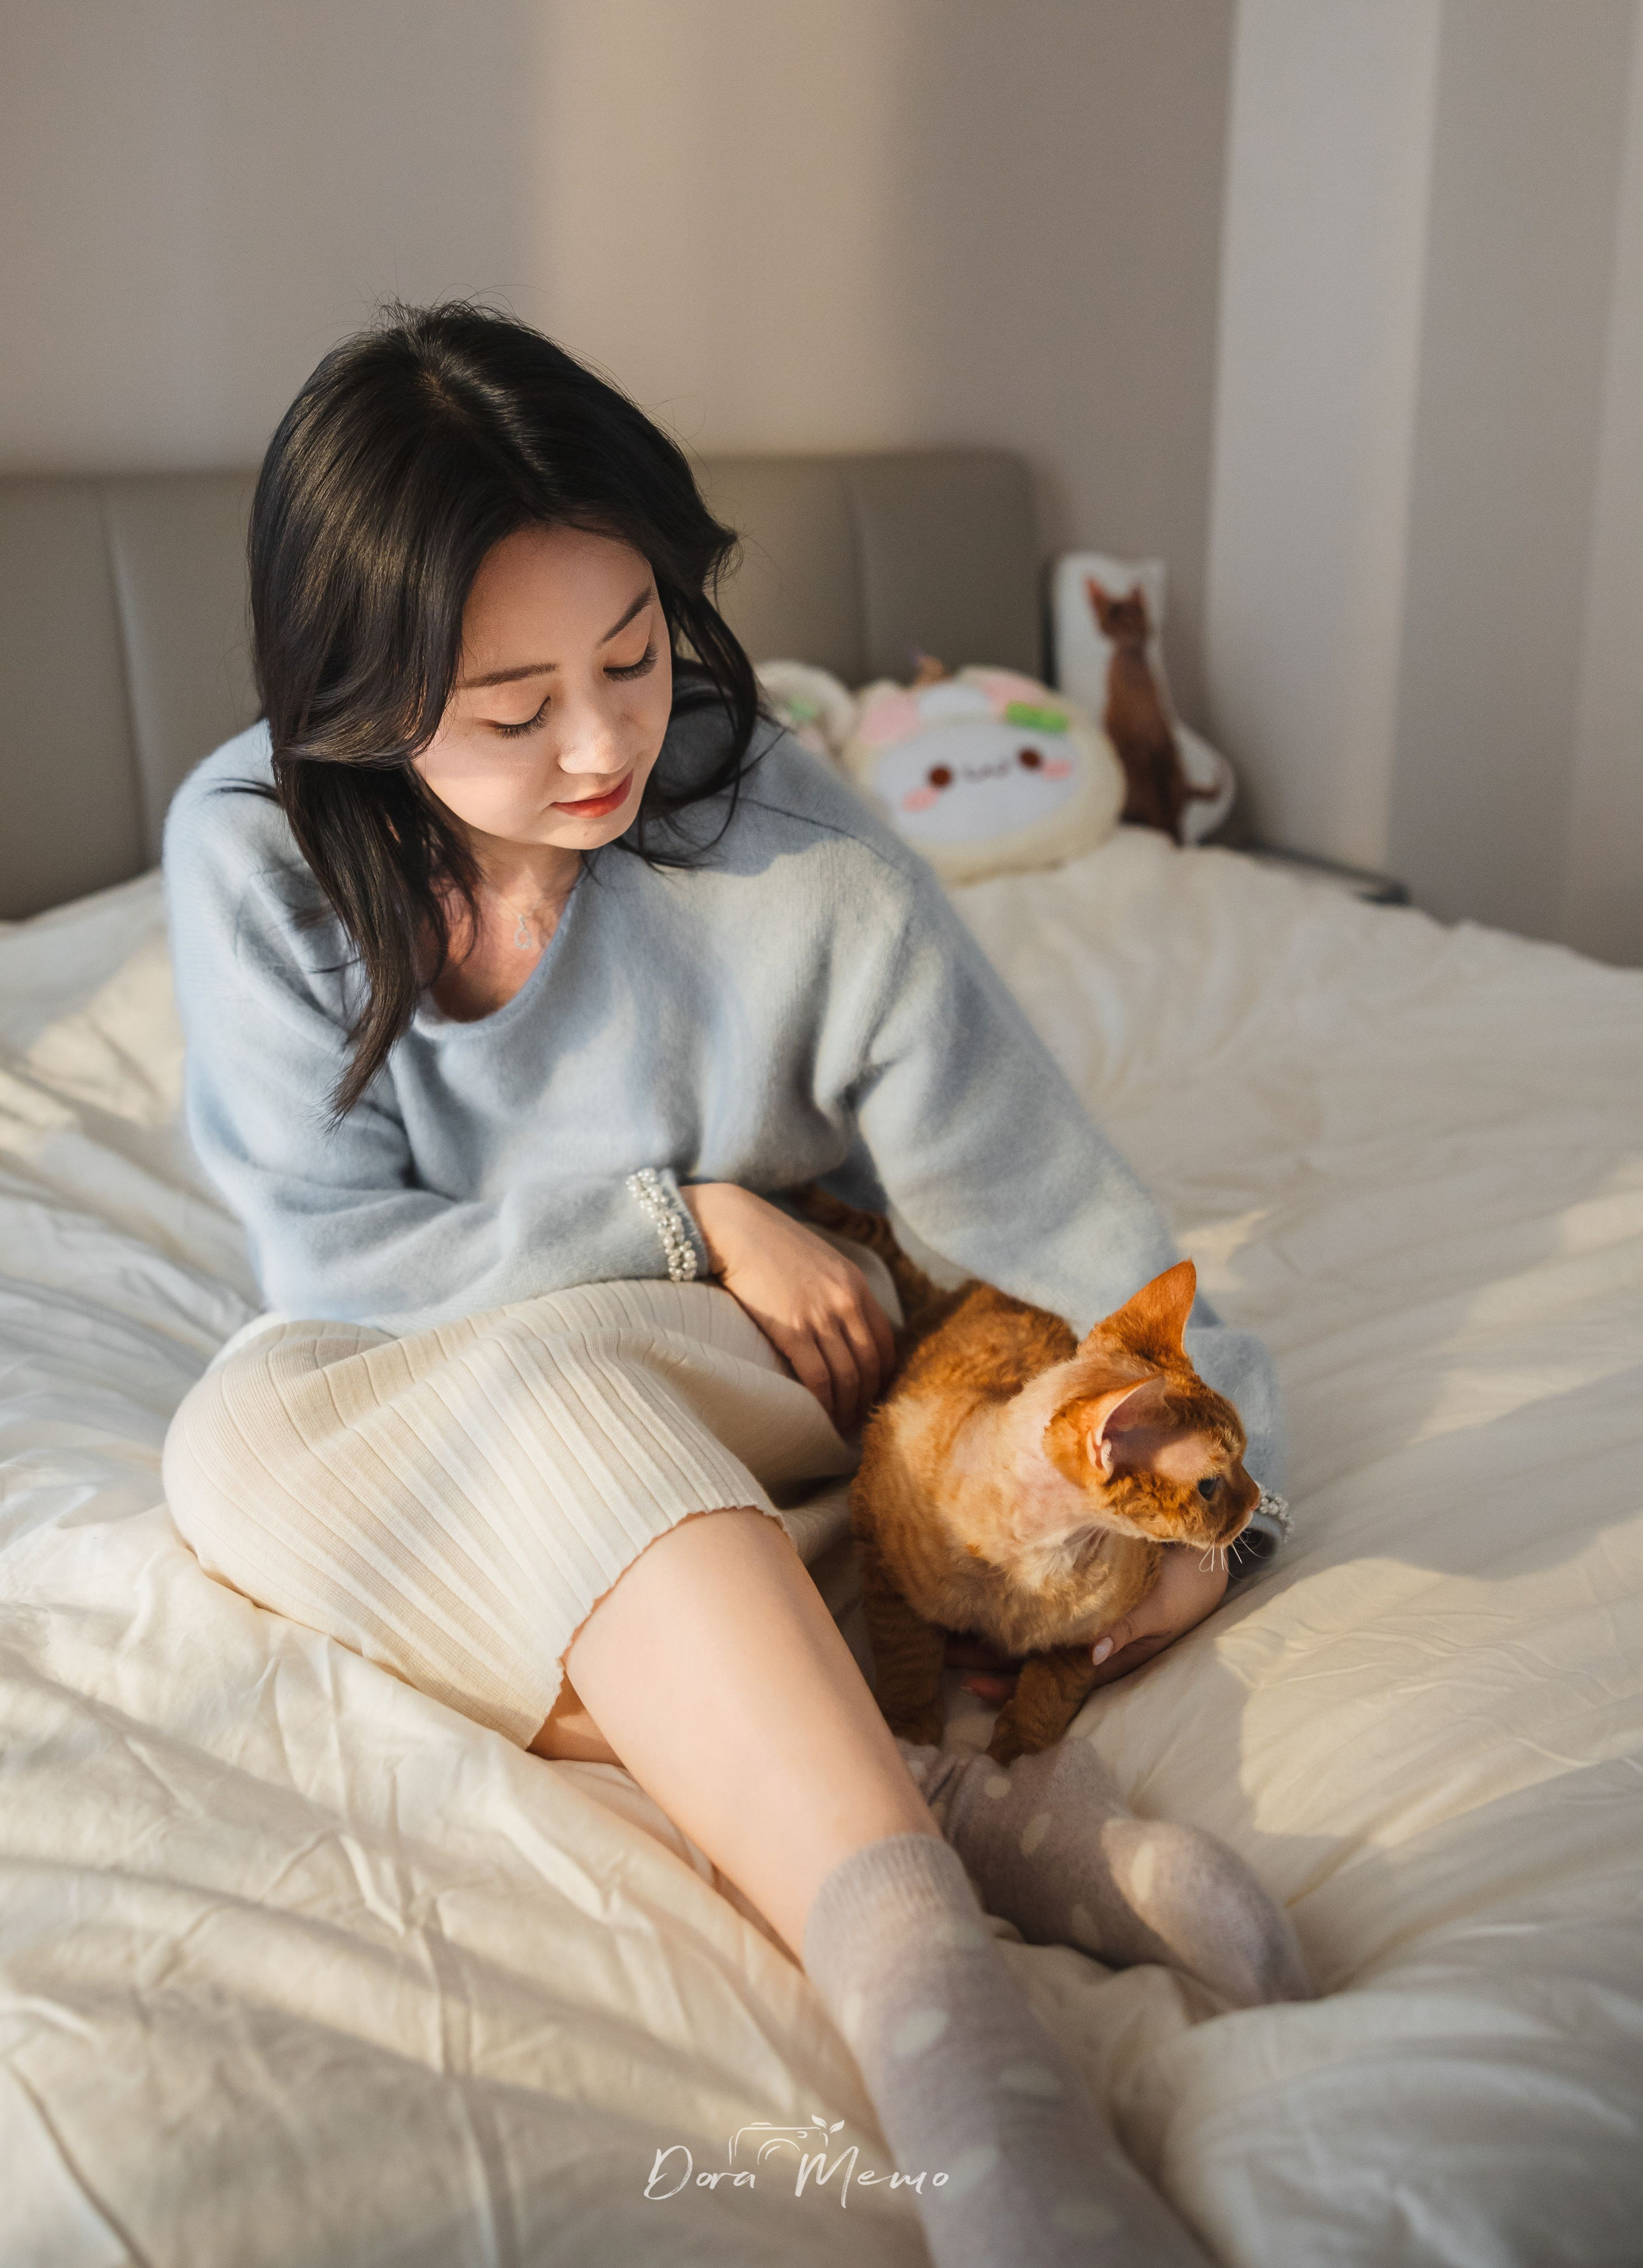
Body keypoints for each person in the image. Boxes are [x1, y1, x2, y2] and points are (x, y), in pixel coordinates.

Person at [161, 302, 1297, 2267]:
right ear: (357, 696)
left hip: (776, 1375)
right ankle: (960, 1811)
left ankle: (964, 2071)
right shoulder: (254, 850)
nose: (605, 742)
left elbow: (1067, 1226)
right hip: (505, 1367)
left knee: (526, 1396)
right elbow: (336, 1261)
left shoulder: (792, 854)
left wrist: (1225, 1488)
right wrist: (678, 1212)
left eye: (632, 655)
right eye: (515, 709)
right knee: (235, 1426)